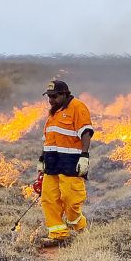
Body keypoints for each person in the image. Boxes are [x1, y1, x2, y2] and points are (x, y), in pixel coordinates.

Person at [38, 80, 93, 245]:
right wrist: (42, 159)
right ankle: (57, 233)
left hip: (70, 162)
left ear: (64, 94)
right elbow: (48, 139)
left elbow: (86, 133)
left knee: (71, 198)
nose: (51, 100)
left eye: (54, 96)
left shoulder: (77, 107)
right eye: (48, 97)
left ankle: (79, 227)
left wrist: (84, 156)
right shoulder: (53, 113)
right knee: (49, 199)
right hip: (52, 162)